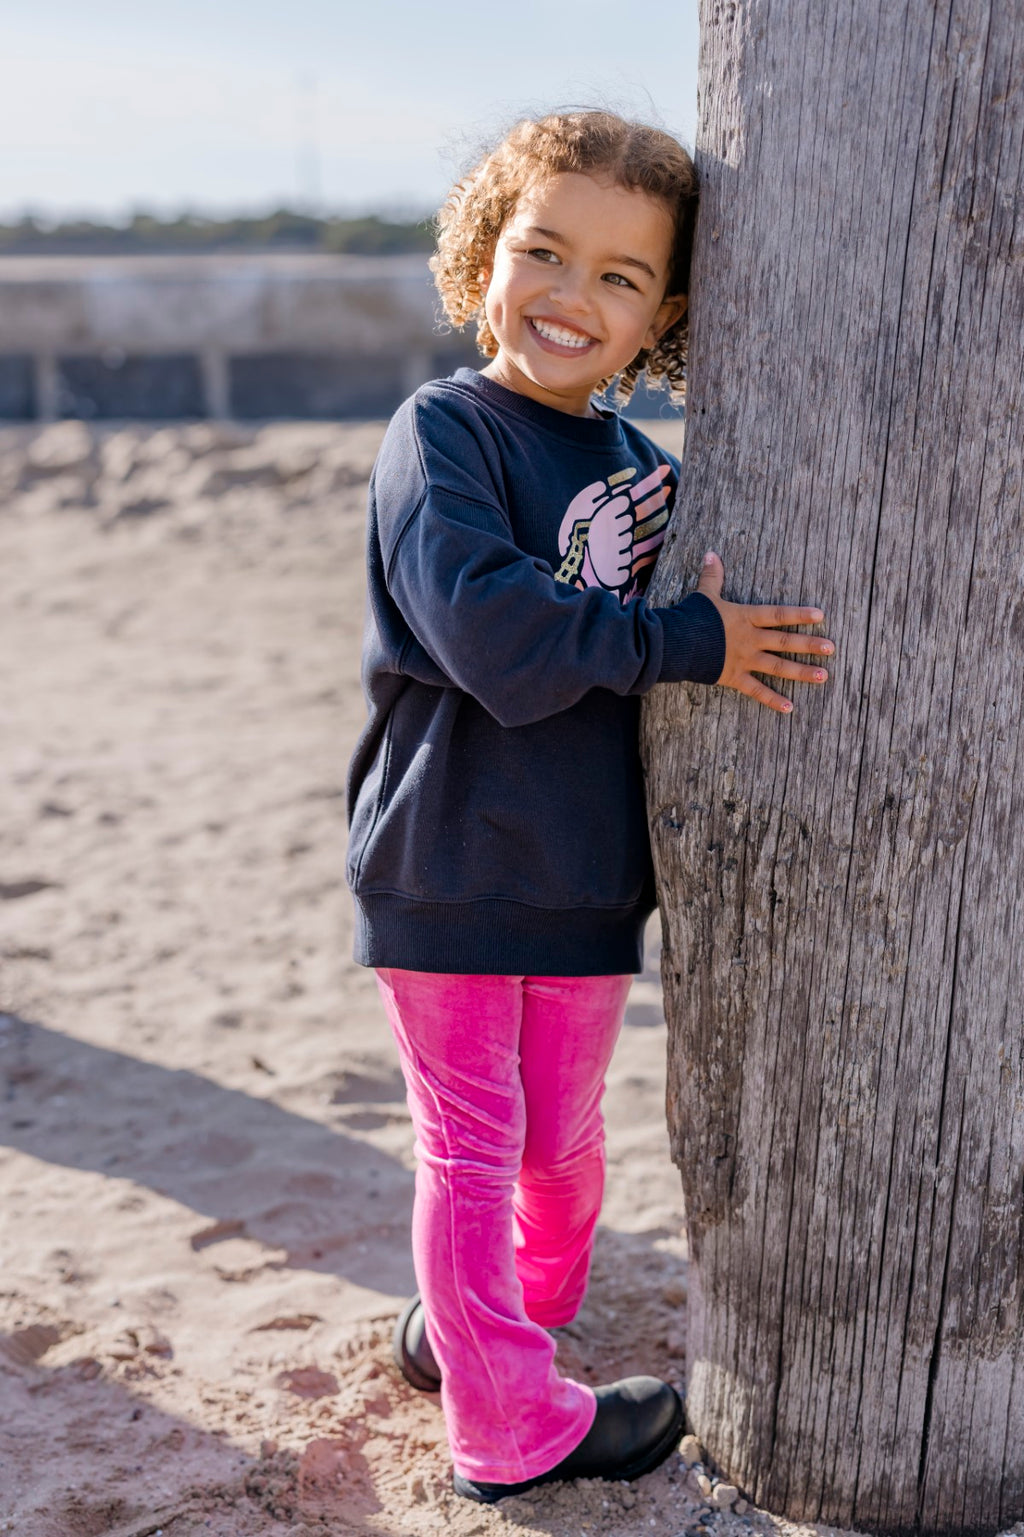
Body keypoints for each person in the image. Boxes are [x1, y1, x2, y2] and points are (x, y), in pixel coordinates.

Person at [345, 109, 833, 1504]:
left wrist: (717, 616)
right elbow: (495, 637)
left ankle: (493, 1332)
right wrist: (685, 639)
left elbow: (697, 616)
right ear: (484, 254)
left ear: (664, 316)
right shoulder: (442, 435)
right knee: (472, 1146)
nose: (571, 295)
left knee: (561, 1148)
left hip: (583, 871)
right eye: (543, 251)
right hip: (448, 855)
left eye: (621, 275)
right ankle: (506, 1425)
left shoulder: (648, 475)